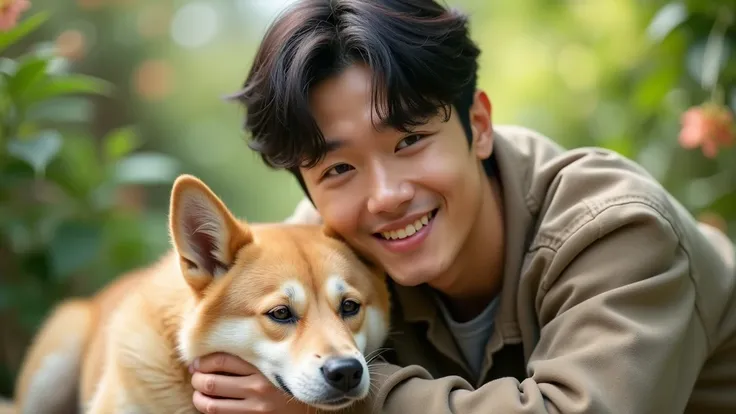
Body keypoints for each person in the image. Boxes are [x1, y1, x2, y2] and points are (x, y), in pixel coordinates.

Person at [188, 0, 736, 413]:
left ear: (477, 125)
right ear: (310, 192)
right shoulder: (327, 254)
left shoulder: (617, 229)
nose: (386, 196)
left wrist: (342, 397)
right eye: (338, 169)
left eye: (408, 141)